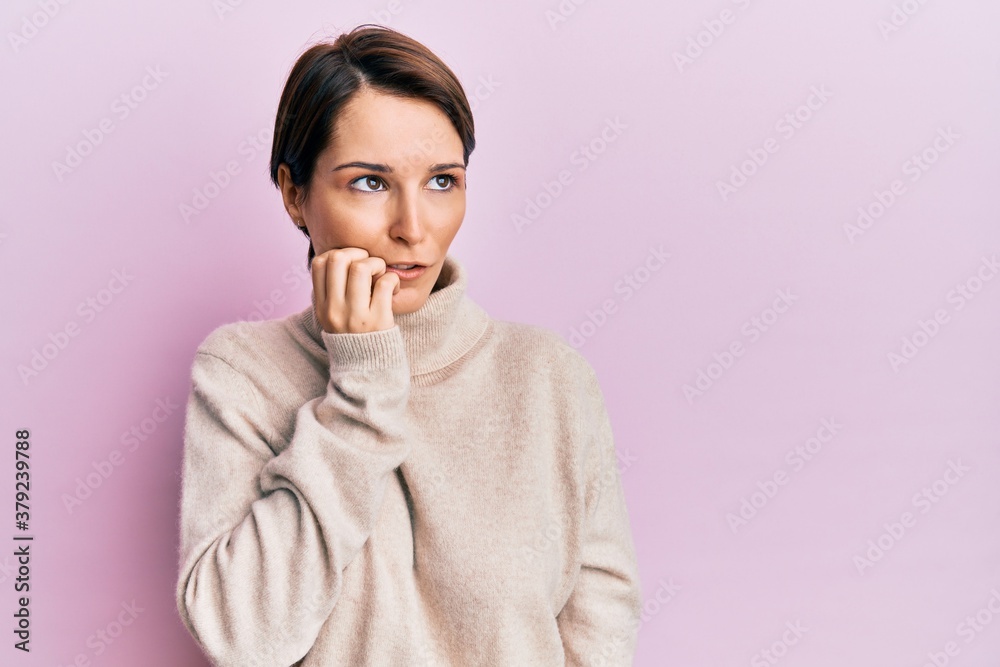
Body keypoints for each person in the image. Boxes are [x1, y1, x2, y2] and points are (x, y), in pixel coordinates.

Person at [174, 23, 643, 667]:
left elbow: (602, 632)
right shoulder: (242, 373)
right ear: (293, 193)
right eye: (370, 182)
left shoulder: (549, 378)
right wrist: (361, 389)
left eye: (442, 181)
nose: (413, 228)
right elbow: (243, 637)